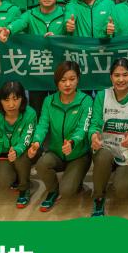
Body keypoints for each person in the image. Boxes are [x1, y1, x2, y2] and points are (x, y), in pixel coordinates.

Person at [31, 61, 93, 212]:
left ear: (78, 79)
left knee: (68, 191)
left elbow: (83, 128)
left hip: (79, 155)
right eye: (63, 80)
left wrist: (73, 142)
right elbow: (43, 124)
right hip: (56, 153)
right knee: (41, 164)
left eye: (72, 79)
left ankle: (74, 180)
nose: (67, 84)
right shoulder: (49, 101)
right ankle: (52, 191)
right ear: (57, 82)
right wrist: (36, 142)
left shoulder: (86, 101)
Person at [90, 58, 128, 216]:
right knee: (102, 157)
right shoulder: (102, 95)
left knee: (122, 191)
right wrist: (93, 135)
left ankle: (118, 171)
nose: (121, 79)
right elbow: (95, 122)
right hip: (106, 147)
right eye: (116, 75)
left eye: (125, 75)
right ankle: (98, 197)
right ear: (111, 77)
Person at [0, 81, 40, 209]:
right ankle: (16, 176)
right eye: (6, 100)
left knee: (21, 159)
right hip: (5, 154)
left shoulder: (30, 113)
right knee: (3, 181)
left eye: (15, 99)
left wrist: (17, 150)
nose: (11, 104)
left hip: (24, 151)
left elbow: (26, 139)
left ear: (22, 99)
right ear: (0, 101)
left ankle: (24, 188)